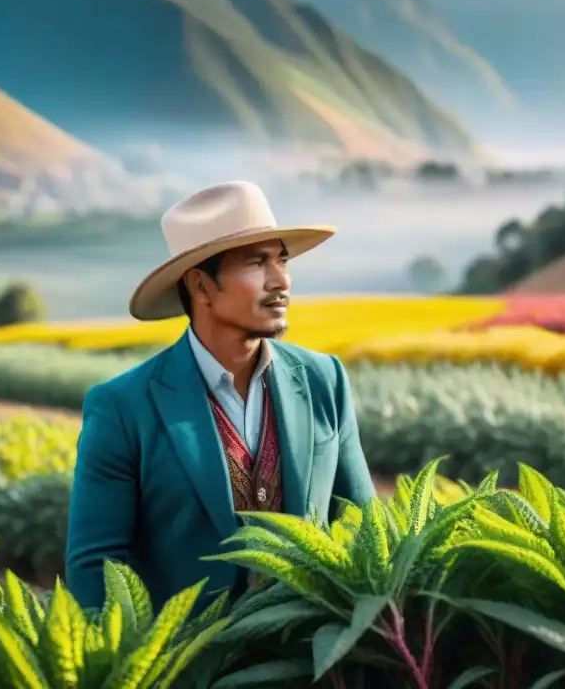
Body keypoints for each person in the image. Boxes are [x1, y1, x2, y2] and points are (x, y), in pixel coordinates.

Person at [64, 180, 377, 614]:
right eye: (256, 263)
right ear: (200, 287)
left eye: (282, 260)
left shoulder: (325, 380)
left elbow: (364, 529)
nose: (281, 280)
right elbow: (95, 572)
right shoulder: (122, 408)